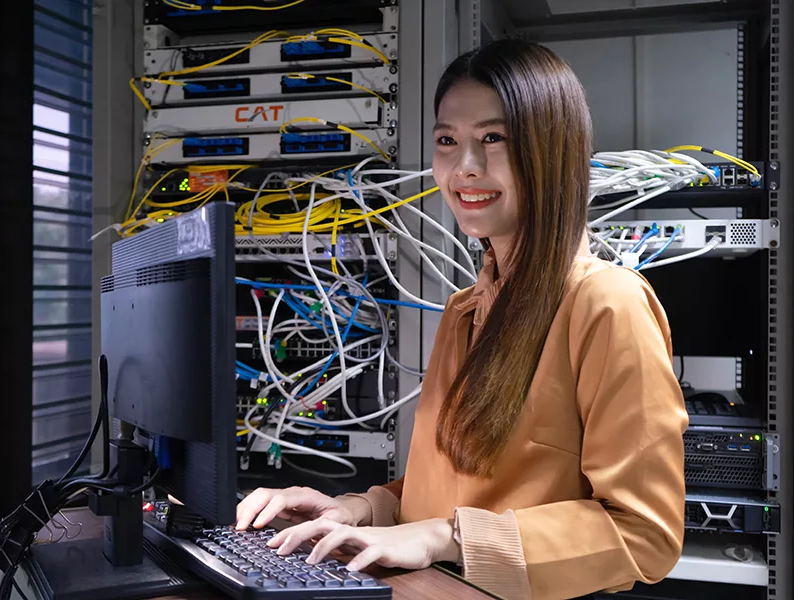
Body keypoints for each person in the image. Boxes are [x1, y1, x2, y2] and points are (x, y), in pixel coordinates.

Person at [236, 39, 688, 600]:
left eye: (493, 139)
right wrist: (358, 508)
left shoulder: (607, 304)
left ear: (554, 150)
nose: (464, 168)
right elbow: (445, 493)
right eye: (447, 141)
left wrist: (445, 536)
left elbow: (645, 534)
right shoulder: (465, 310)